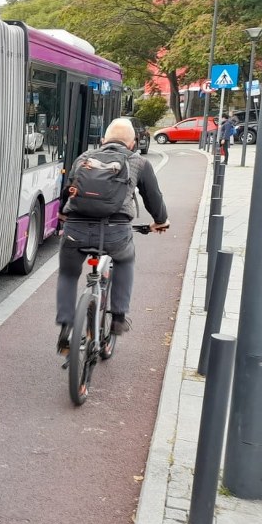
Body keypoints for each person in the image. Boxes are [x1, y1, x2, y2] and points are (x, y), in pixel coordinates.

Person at [55, 117, 170, 353]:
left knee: (68, 273)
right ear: (133, 143)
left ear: (103, 140)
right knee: (125, 259)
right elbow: (153, 198)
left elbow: (68, 191)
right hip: (116, 232)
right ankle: (118, 317)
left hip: (76, 229)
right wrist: (160, 221)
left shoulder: (83, 158)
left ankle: (66, 323)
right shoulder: (138, 162)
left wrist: (63, 216)